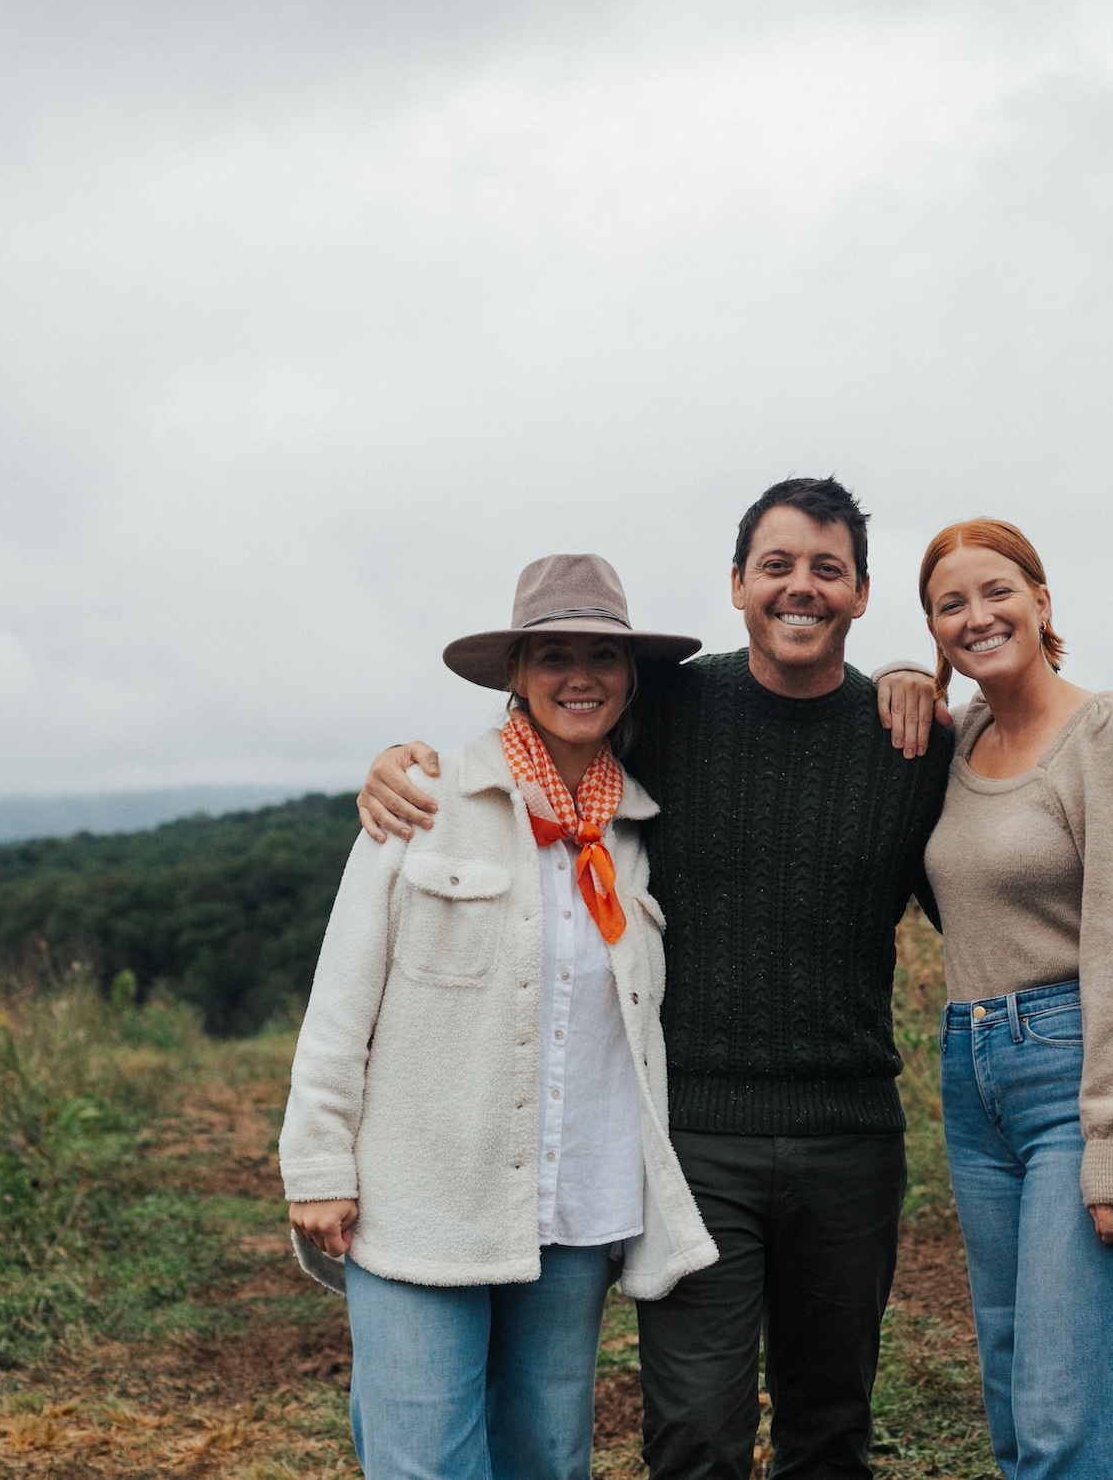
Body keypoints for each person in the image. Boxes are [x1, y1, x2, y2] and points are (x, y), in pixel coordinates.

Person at [356, 477, 948, 1480]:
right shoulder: (667, 704)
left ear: (859, 592)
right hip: (693, 1138)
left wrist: (911, 678)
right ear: (735, 583)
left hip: (852, 1132)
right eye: (776, 565)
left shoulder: (909, 739)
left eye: (825, 569)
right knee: (694, 1433)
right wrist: (400, 762)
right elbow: (543, 726)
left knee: (831, 1424)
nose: (798, 587)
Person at [280, 553, 719, 1480]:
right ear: (514, 675)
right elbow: (340, 998)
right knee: (424, 1461)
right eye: (553, 654)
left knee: (547, 1457)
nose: (579, 676)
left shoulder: (640, 831)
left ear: (629, 675)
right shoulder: (426, 802)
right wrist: (317, 1162)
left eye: (602, 654)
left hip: (577, 1205)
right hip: (424, 1195)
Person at [916, 517, 1113, 1480]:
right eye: (950, 604)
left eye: (998, 591)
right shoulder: (960, 739)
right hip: (971, 1072)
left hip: (1079, 1077)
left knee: (1073, 1415)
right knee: (1013, 1395)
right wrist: (896, 685)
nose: (977, 615)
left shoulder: (1107, 729)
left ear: (1042, 600)